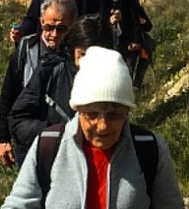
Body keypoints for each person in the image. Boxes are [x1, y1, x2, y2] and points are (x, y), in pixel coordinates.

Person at [0, 46, 189, 209]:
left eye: (114, 115)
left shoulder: (149, 151)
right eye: (92, 114)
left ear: (127, 111)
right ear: (78, 109)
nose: (103, 126)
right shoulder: (49, 146)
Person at [8, 14, 113, 162]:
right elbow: (18, 121)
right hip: (54, 164)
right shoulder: (50, 71)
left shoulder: (115, 80)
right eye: (83, 55)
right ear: (72, 50)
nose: (89, 62)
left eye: (97, 56)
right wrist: (60, 134)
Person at [0, 0, 77, 168]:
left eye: (61, 29)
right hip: (29, 140)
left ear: (72, 26)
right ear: (41, 22)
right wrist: (3, 139)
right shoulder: (26, 49)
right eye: (49, 27)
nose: (54, 34)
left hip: (67, 141)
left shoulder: (78, 54)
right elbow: (9, 93)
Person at [95, 0, 150, 82]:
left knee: (127, 67)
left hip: (126, 32)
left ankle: (134, 85)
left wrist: (136, 39)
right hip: (106, 33)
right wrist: (107, 19)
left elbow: (133, 10)